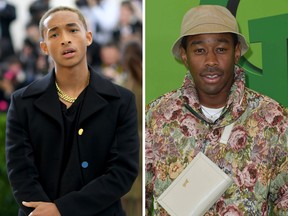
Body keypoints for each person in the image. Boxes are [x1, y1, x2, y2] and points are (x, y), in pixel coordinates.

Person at [145, 5, 288, 215]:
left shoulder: (272, 119)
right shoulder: (156, 117)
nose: (211, 61)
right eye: (199, 50)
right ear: (184, 56)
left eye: (221, 49)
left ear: (237, 52)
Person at [5, 6, 139, 216]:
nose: (65, 39)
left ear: (88, 37)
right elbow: (20, 170)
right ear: (44, 47)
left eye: (72, 30)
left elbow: (122, 172)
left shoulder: (121, 100)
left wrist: (62, 210)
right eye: (54, 34)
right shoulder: (23, 102)